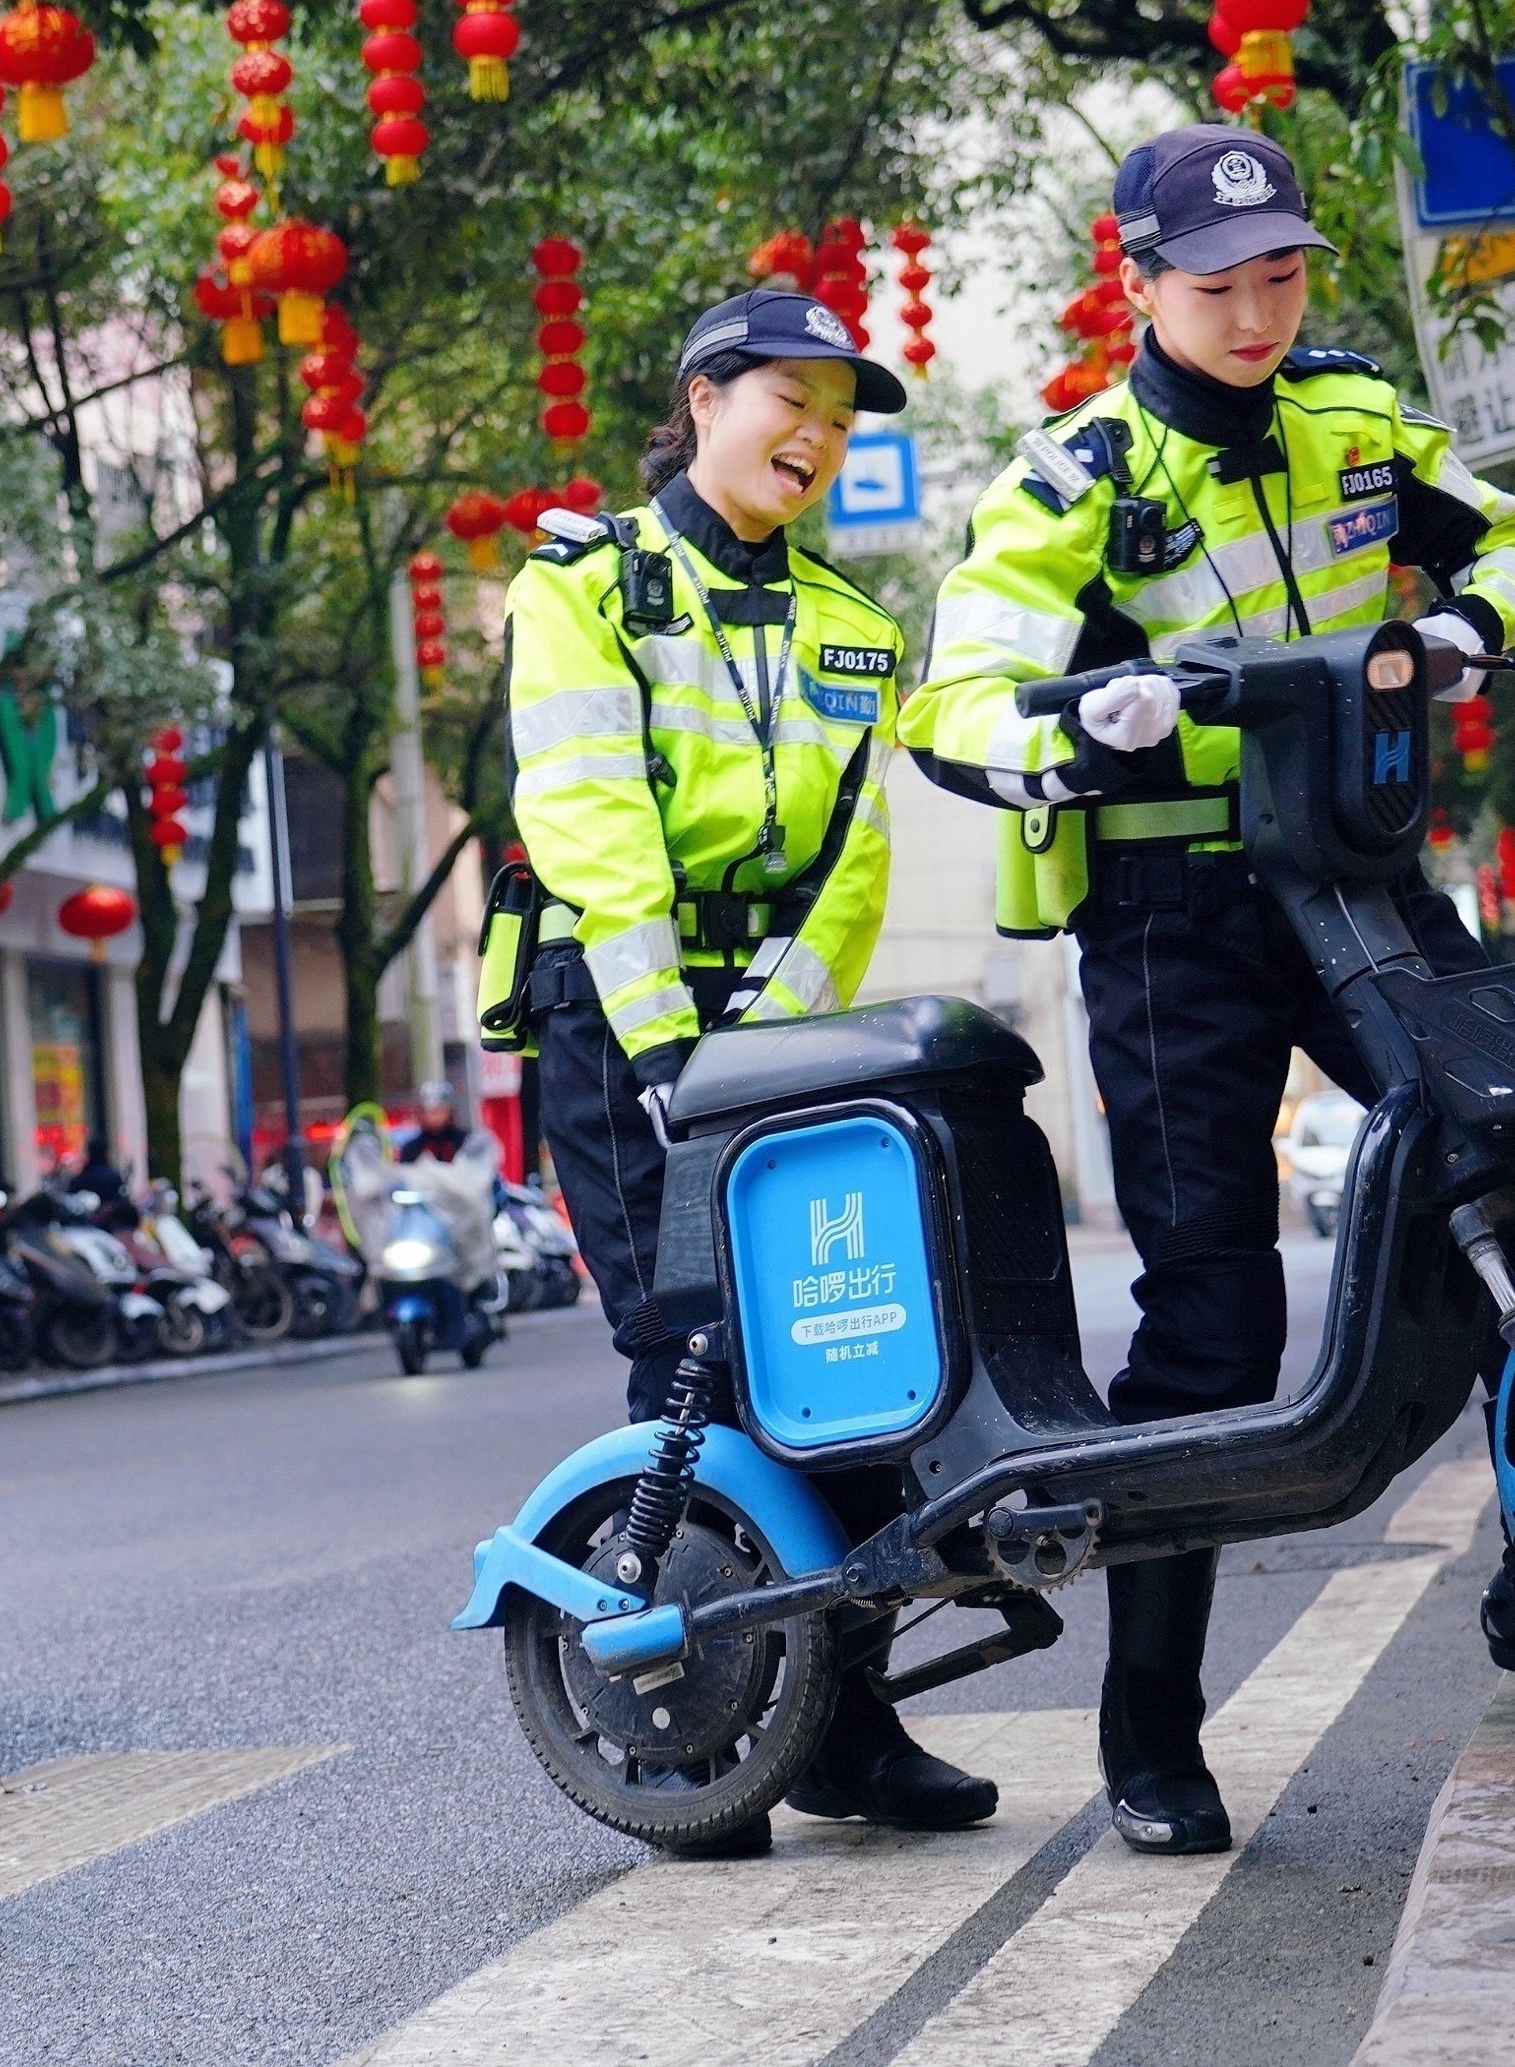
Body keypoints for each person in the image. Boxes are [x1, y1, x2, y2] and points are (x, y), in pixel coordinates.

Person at [901, 122, 1515, 1856]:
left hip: (1350, 867)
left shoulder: (1354, 421)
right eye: (1218, 284)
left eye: (1281, 274)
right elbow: (955, 694)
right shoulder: (1074, 480)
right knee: (1207, 1320)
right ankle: (1149, 1730)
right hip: (1166, 904)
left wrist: (1476, 619)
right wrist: (1064, 730)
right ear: (1139, 282)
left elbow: (1508, 533)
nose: (1258, 310)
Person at [498, 281, 993, 1856]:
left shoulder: (855, 629)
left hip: (770, 1023)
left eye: (840, 421)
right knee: (689, 1360)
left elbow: (854, 858)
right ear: (704, 397)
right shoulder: (588, 588)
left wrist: (770, 1028)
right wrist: (667, 1041)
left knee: (828, 1363)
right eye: (792, 402)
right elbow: (585, 817)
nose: (819, 439)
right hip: (615, 1009)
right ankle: (700, 1737)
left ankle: (837, 1726)